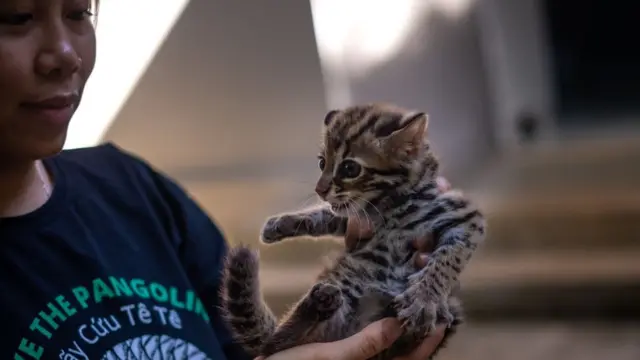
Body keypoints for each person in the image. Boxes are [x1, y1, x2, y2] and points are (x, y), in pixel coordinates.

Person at [0, 1, 449, 359]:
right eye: (16, 17)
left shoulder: (133, 192)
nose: (64, 54)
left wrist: (358, 336)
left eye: (79, 13)